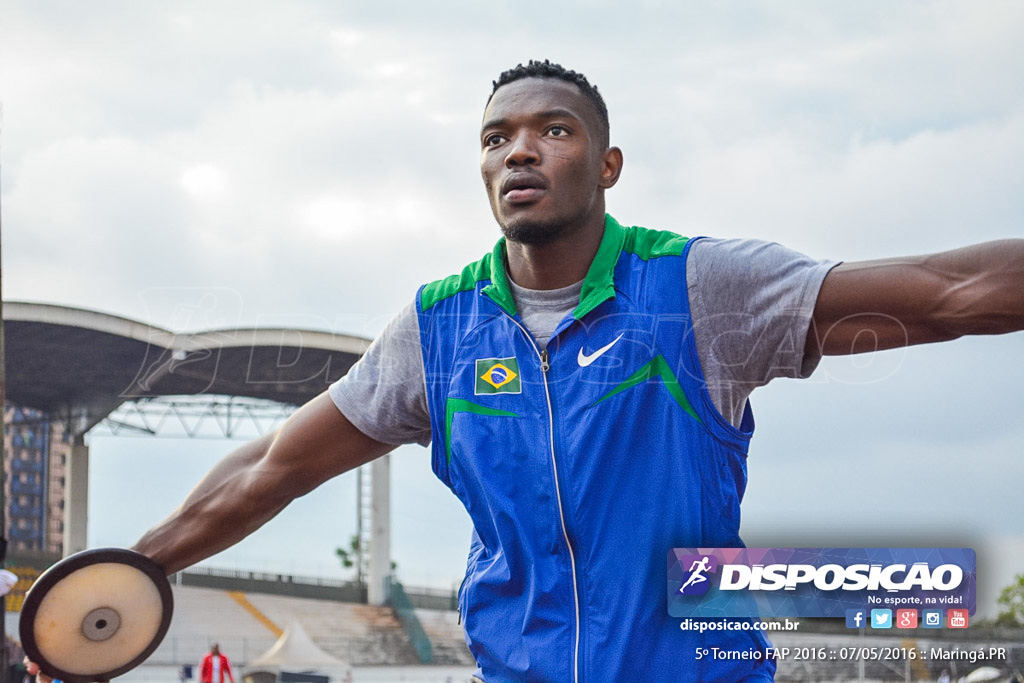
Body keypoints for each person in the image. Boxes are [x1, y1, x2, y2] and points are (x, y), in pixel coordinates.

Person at [33, 60, 1020, 681]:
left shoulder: (698, 287)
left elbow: (942, 289)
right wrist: (141, 563)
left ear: (608, 163)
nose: (521, 151)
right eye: (496, 138)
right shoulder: (437, 329)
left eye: (553, 130)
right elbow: (275, 466)